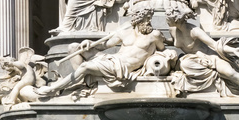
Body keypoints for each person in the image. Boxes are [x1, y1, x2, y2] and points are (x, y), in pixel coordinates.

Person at [38, 8, 166, 96]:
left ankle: (53, 89)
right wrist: (89, 42)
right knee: (74, 47)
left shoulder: (154, 35)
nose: (149, 21)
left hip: (121, 68)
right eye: (146, 18)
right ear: (137, 19)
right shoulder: (125, 32)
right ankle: (84, 83)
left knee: (85, 66)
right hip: (112, 59)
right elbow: (104, 46)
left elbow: (163, 51)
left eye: (150, 18)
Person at [165, 4, 239, 102]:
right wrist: (163, 41)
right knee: (185, 63)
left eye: (168, 17)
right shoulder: (173, 30)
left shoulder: (194, 31)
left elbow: (214, 45)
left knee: (230, 73)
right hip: (192, 58)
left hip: (210, 56)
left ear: (177, 19)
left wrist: (234, 50)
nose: (166, 20)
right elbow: (175, 42)